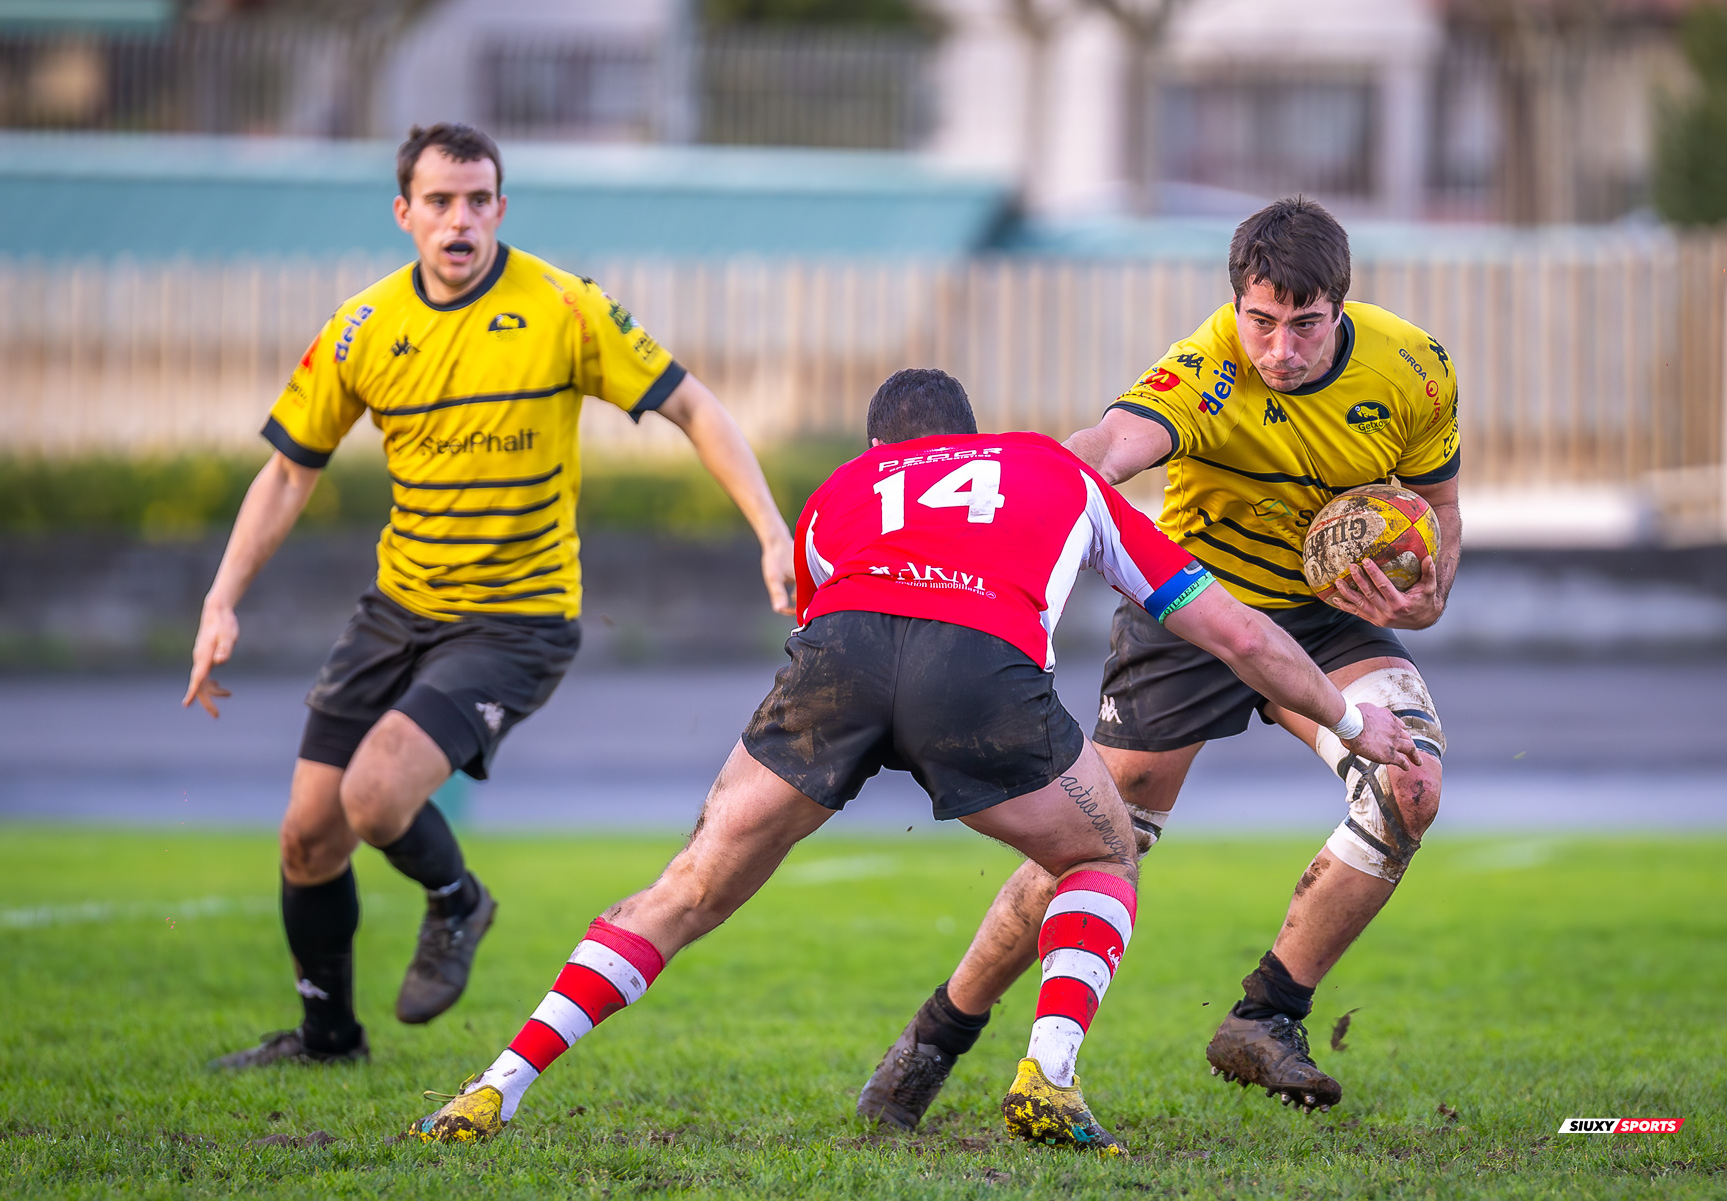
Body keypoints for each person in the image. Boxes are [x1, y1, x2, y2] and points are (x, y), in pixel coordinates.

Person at [403, 368, 1419, 1150]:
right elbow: (1236, 635)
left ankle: (497, 1081)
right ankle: (1048, 1074)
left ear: (879, 447)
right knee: (1103, 854)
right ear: (971, 441)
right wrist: (1346, 717)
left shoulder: (837, 492)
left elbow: (825, 627)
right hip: (976, 668)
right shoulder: (1054, 471)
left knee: (684, 890)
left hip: (835, 667)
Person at [190, 123, 795, 1069]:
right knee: (308, 836)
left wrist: (769, 526)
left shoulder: (563, 306)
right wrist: (222, 597)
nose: (460, 219)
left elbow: (693, 406)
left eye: (479, 200)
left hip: (516, 619)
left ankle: (457, 899)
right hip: (396, 609)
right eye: (440, 202)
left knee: (376, 794)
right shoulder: (363, 327)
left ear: (500, 208)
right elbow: (286, 473)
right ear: (405, 215)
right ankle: (328, 1038)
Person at [859, 197, 1461, 1127]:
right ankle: (942, 1031)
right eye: (1261, 322)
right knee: (1099, 842)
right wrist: (1017, 500)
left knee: (1410, 783)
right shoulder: (1208, 368)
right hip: (1193, 617)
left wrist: (1432, 590)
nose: (1280, 350)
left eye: (1305, 325)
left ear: (1341, 305)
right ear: (1236, 306)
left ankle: (1267, 1016)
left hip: (1325, 622)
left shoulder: (1416, 366)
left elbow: (1436, 501)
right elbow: (1108, 446)